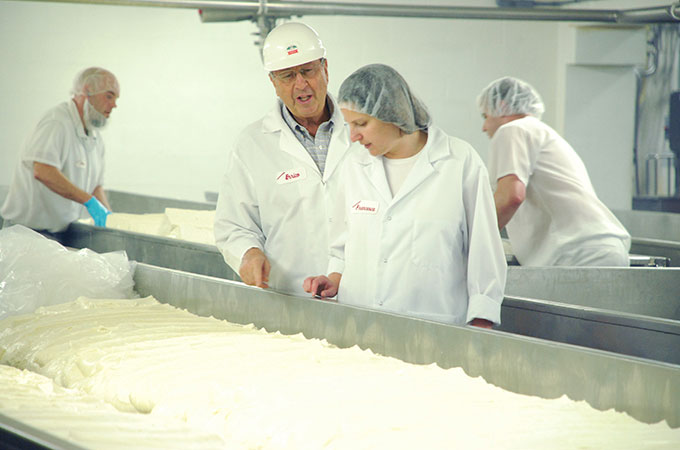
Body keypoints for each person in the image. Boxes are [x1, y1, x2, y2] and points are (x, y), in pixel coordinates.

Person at [303, 64, 506, 328]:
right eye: (350, 125)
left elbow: (485, 256)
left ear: (392, 113)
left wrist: (479, 329)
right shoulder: (353, 165)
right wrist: (333, 280)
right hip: (359, 331)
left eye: (361, 124)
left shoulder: (459, 162)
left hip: (435, 332)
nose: (353, 137)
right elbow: (341, 249)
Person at [214, 22, 351, 296]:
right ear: (273, 82)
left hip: (359, 293)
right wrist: (249, 253)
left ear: (325, 68)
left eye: (307, 71)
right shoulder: (253, 143)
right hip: (290, 298)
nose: (301, 84)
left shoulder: (361, 130)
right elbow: (235, 224)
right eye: (287, 76)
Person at [477, 76, 631, 267]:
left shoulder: (512, 130)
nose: (484, 127)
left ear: (501, 106)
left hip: (577, 253)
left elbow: (511, 196)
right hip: (591, 250)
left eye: (485, 117)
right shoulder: (539, 131)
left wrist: (473, 241)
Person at [1, 67, 118, 234]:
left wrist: (111, 221)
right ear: (87, 91)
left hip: (62, 233)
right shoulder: (57, 123)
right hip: (28, 233)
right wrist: (88, 201)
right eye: (109, 96)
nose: (114, 105)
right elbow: (43, 171)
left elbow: (95, 187)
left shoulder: (95, 138)